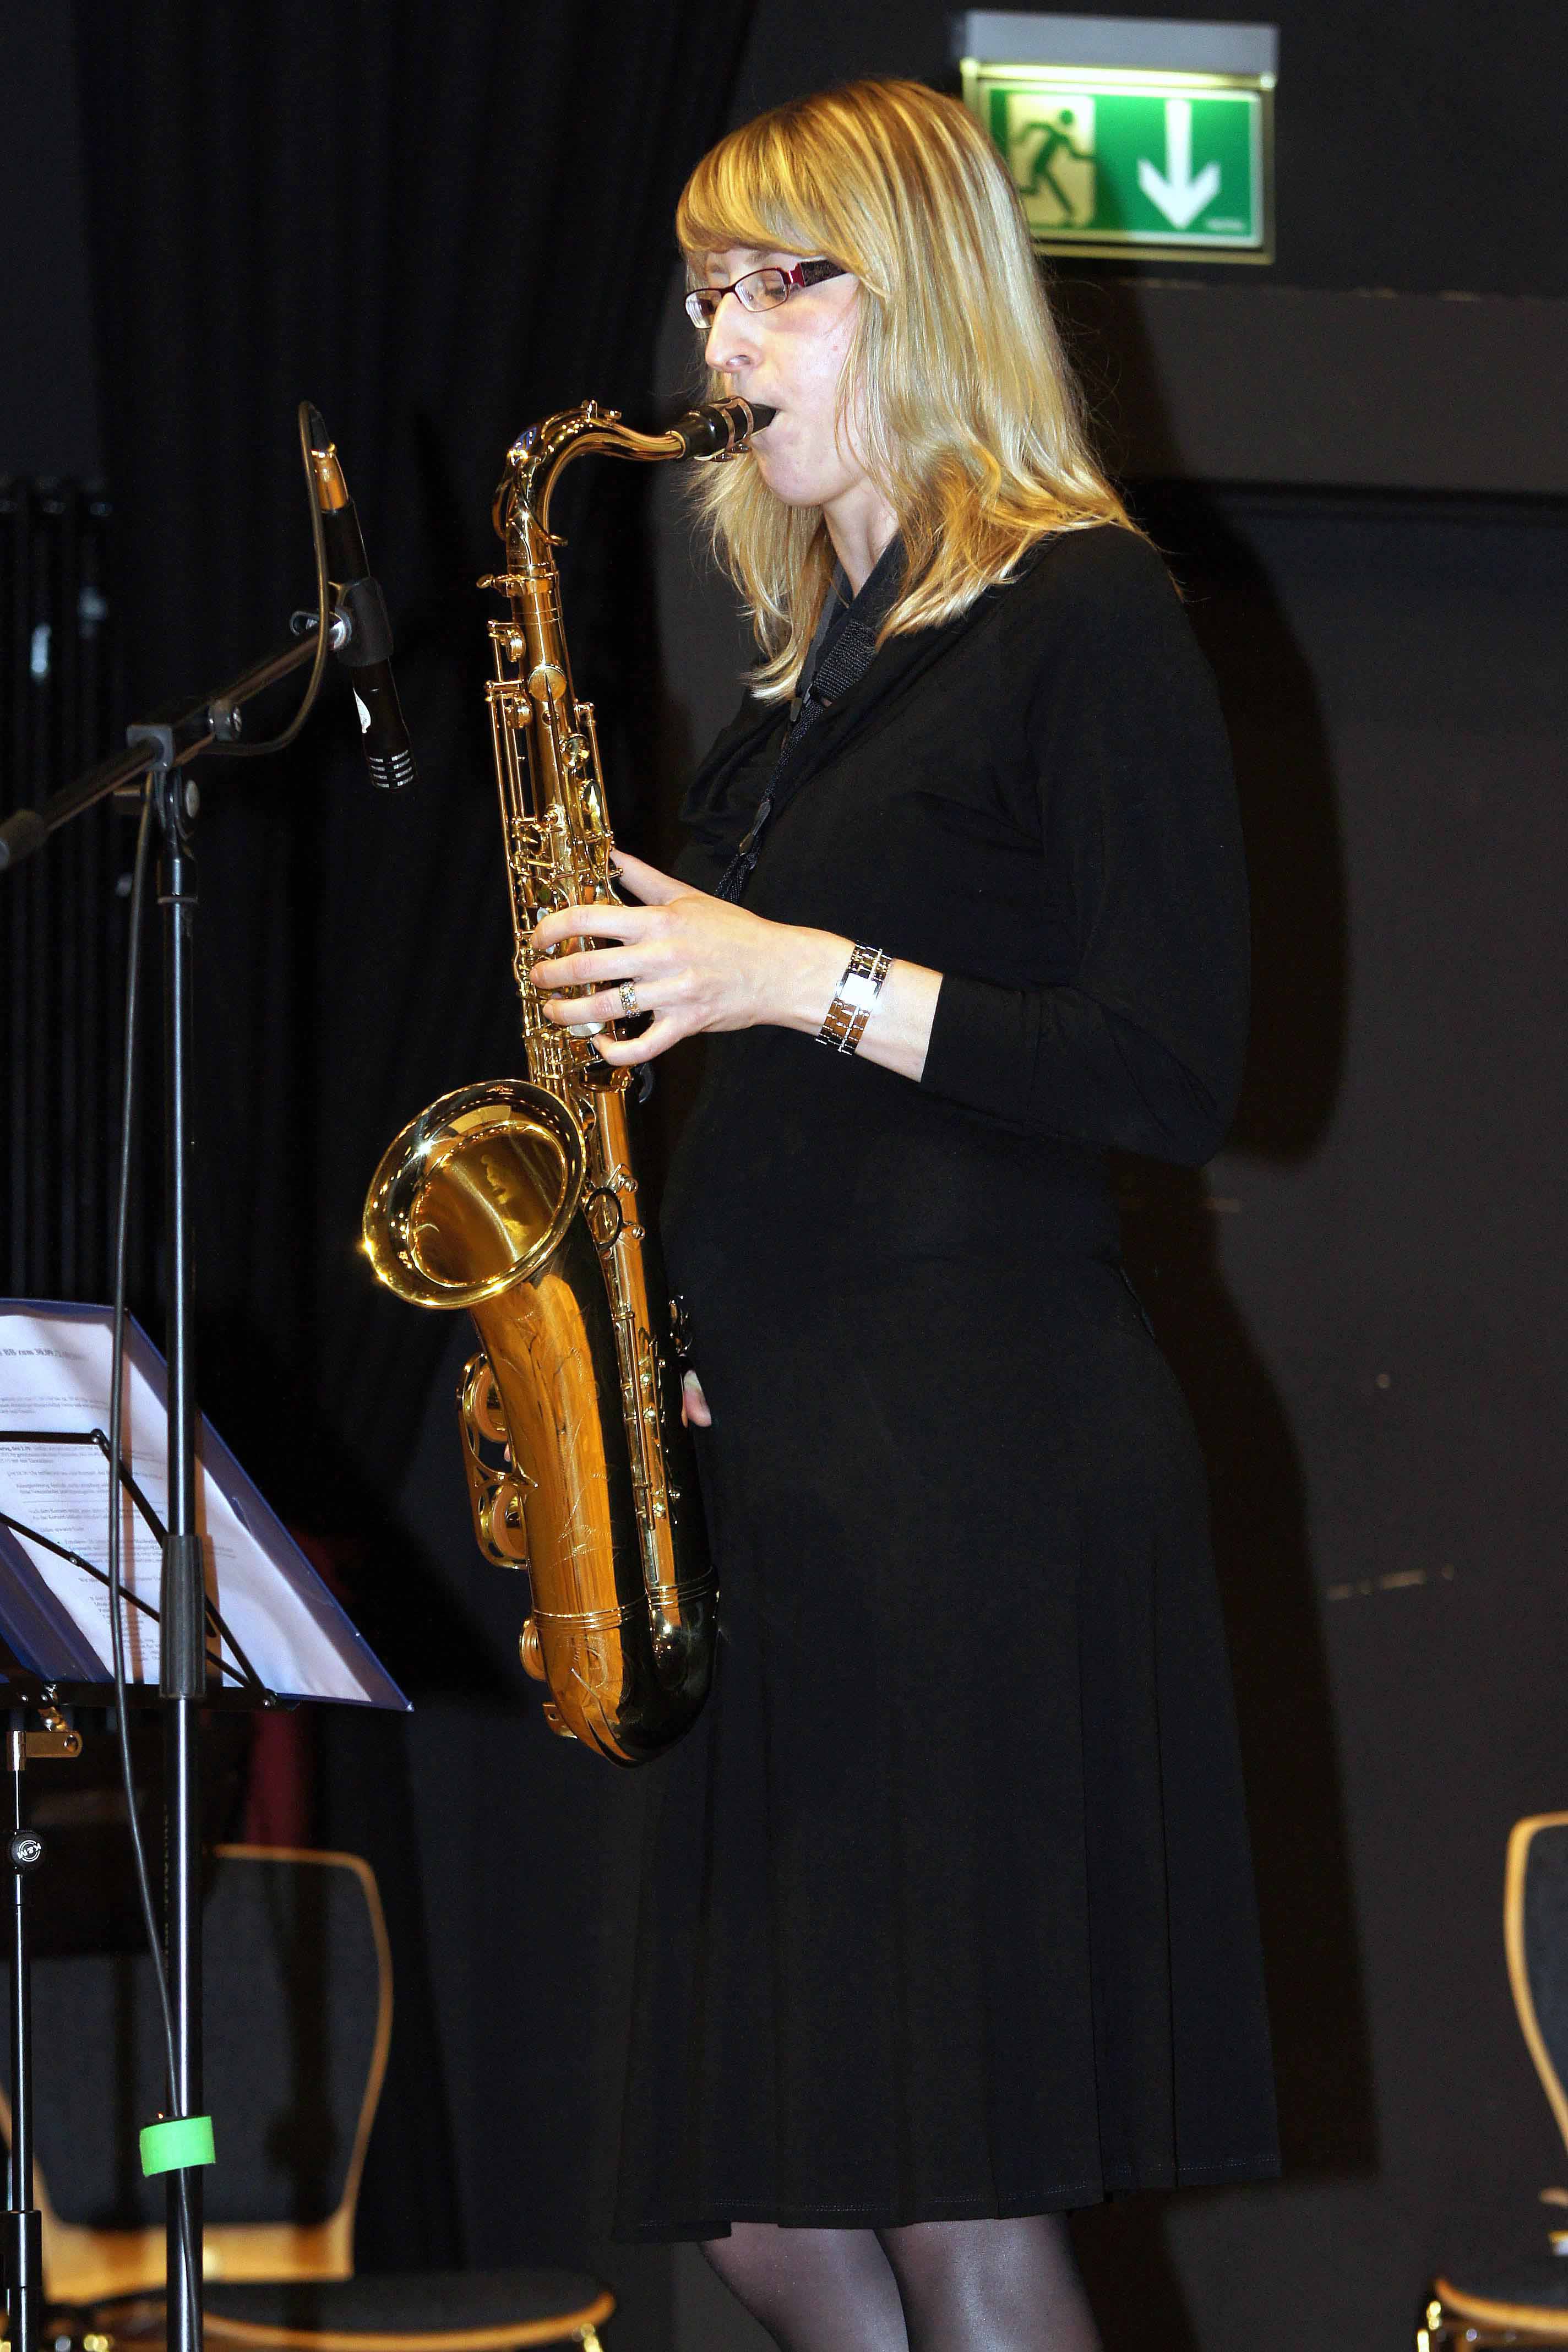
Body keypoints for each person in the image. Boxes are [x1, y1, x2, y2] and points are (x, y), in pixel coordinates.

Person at [529, 76, 1278, 2352]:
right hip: (800, 1483)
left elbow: (1170, 1067)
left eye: (787, 283)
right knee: (769, 2209)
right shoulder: (797, 701)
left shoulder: (1084, 610)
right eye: (706, 292)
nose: (725, 339)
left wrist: (783, 975)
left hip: (981, 1474)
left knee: (956, 2199)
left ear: (929, 295)